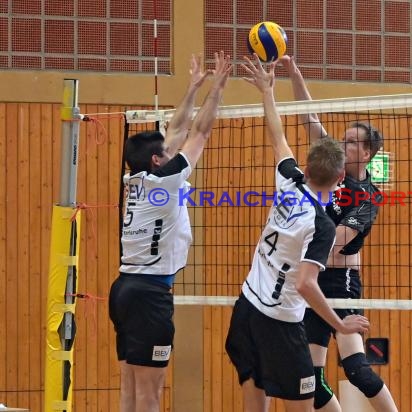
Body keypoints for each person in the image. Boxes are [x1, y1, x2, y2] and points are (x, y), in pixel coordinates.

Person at [225, 54, 370, 412]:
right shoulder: (322, 227)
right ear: (339, 180)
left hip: (245, 309)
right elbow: (306, 284)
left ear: (306, 165)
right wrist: (340, 323)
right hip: (280, 323)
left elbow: (277, 134)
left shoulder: (289, 179)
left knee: (254, 401)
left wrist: (267, 91)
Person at [108, 51, 232, 412]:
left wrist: (193, 87)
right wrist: (218, 87)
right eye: (164, 152)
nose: (169, 148)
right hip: (149, 296)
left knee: (130, 390)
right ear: (158, 161)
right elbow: (200, 132)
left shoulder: (135, 179)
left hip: (124, 289)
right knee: (151, 394)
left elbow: (175, 132)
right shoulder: (168, 181)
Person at [281, 55, 398, 412]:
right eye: (343, 139)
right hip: (312, 279)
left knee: (358, 371)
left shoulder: (369, 196)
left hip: (340, 282)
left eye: (350, 142)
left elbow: (337, 243)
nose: (342, 144)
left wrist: (294, 243)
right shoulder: (332, 168)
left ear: (365, 153)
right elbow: (309, 119)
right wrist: (294, 74)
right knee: (311, 380)